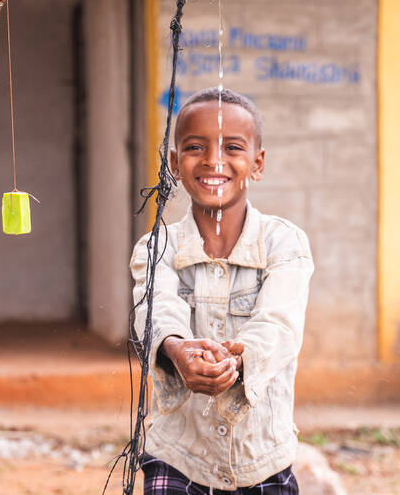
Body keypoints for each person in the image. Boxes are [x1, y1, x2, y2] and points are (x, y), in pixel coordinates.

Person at [131, 87, 314, 494]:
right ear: (176, 164)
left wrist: (236, 362)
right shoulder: (156, 247)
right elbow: (156, 311)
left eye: (233, 147)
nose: (214, 161)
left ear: (257, 163)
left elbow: (278, 326)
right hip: (178, 457)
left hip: (261, 460)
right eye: (196, 147)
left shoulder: (285, 244)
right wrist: (178, 350)